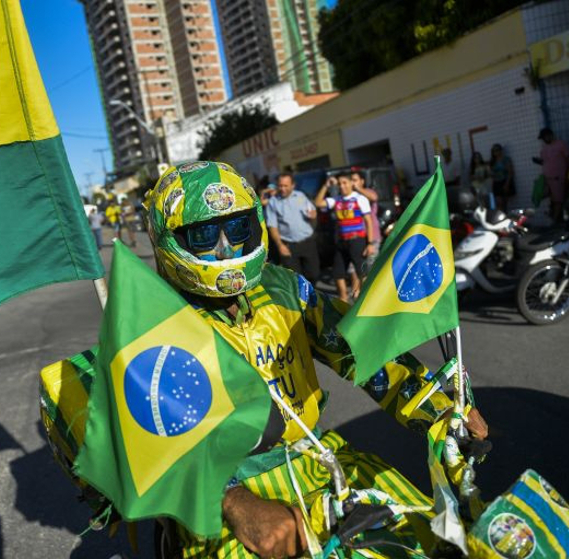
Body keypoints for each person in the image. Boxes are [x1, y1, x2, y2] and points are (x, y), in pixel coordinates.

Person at [135, 161, 488, 558]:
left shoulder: (285, 287)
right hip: (222, 488)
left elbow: (361, 352)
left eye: (236, 229)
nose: (225, 248)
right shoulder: (150, 323)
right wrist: (233, 501)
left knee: (432, 538)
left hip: (317, 459)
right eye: (203, 234)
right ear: (170, 239)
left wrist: (441, 409)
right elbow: (145, 438)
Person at [314, 172, 375, 302]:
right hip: (341, 242)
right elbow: (318, 203)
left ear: (351, 183)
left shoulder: (359, 198)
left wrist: (370, 243)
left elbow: (368, 221)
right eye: (339, 183)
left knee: (361, 272)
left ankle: (367, 299)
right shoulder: (336, 200)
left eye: (345, 183)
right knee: (337, 273)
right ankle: (343, 299)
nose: (342, 186)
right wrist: (326, 186)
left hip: (357, 240)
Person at [264, 173, 320, 285]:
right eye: (280, 186)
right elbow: (272, 226)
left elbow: (312, 211)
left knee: (314, 274)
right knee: (295, 279)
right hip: (288, 246)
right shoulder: (273, 203)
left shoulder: (300, 196)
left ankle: (313, 296)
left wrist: (313, 215)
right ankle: (303, 301)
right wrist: (280, 245)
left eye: (286, 186)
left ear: (293, 185)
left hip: (307, 243)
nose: (283, 189)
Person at [533, 128, 569, 222]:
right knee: (551, 199)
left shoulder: (561, 144)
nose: (544, 140)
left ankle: (555, 221)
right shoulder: (544, 148)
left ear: (550, 135)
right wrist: (538, 161)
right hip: (548, 178)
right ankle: (556, 218)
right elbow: (546, 162)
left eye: (545, 137)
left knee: (558, 199)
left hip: (559, 177)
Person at [490, 143, 515, 213]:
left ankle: (505, 216)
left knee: (504, 202)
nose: (496, 152)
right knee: (498, 202)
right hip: (496, 182)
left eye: (498, 150)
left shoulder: (506, 159)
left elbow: (510, 172)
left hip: (504, 181)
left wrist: (507, 183)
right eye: (494, 151)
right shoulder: (493, 162)